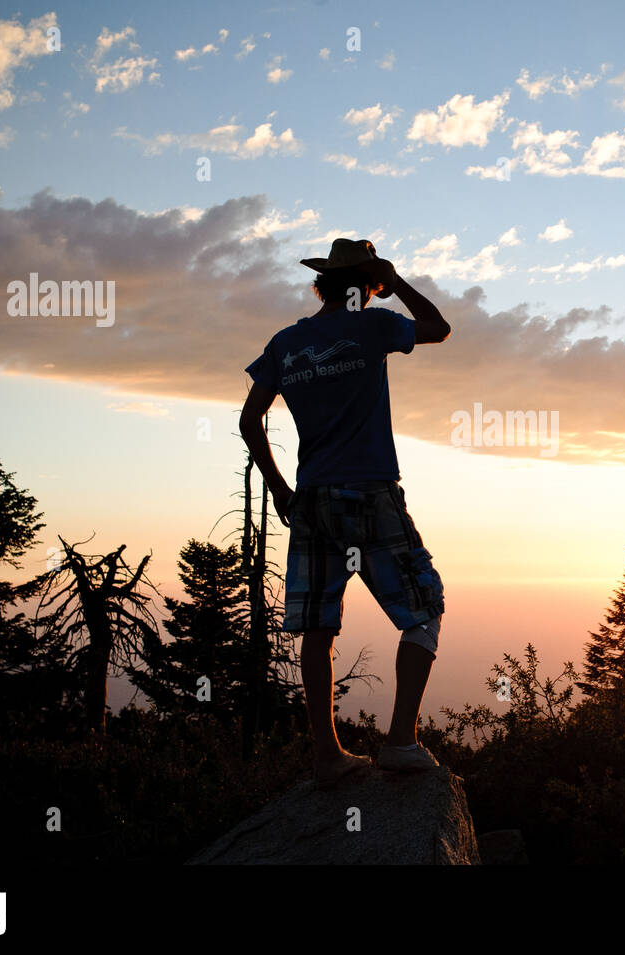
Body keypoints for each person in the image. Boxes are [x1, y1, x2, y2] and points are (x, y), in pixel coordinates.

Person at [240, 237, 451, 785]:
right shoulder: (373, 325)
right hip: (368, 491)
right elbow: (438, 327)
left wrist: (281, 489)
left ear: (324, 284)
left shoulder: (287, 343)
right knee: (424, 606)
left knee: (318, 625)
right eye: (377, 284)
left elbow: (249, 420)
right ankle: (400, 741)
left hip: (310, 498)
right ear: (369, 284)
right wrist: (398, 280)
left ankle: (327, 757)